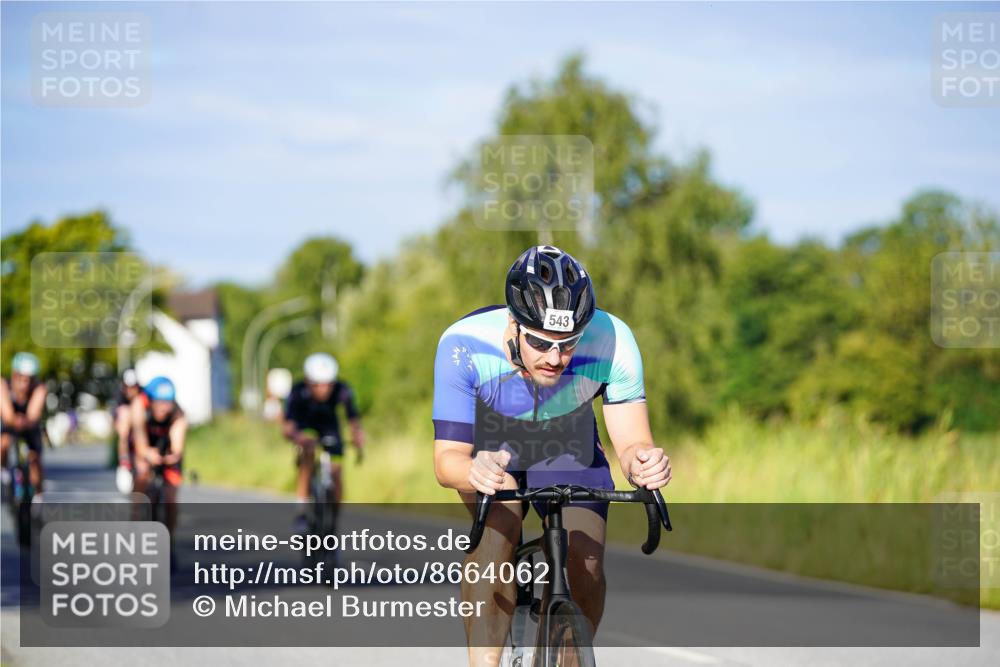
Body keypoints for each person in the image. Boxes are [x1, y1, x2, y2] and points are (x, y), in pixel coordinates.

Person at [432, 245, 672, 666]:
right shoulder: (463, 344)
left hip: (568, 438)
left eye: (568, 344)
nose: (555, 358)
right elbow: (447, 459)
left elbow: (633, 443)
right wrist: (474, 469)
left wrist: (643, 462)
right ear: (514, 325)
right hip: (494, 441)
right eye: (541, 342)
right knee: (496, 537)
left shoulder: (613, 340)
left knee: (586, 562)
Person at [283, 353, 365, 532]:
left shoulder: (342, 389)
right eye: (317, 384)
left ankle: (333, 520)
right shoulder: (297, 391)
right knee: (308, 453)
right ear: (308, 381)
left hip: (330, 428)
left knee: (337, 473)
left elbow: (353, 419)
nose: (323, 389)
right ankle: (302, 511)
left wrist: (358, 438)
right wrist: (297, 438)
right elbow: (287, 427)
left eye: (328, 384)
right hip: (306, 427)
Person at [131, 376, 187, 538]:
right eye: (160, 403)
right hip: (146, 443)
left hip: (166, 445)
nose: (164, 408)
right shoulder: (139, 405)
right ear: (151, 400)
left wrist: (172, 456)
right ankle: (135, 514)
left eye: (168, 403)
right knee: (142, 473)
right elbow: (140, 445)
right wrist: (148, 454)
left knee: (171, 496)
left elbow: (177, 445)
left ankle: (169, 538)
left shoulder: (178, 413)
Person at [1, 352, 48, 501]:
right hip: (10, 425)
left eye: (29, 380)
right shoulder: (4, 385)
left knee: (35, 459)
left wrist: (25, 421)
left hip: (30, 427)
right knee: (3, 444)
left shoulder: (39, 388)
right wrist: (14, 420)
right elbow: (7, 415)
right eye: (20, 378)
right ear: (14, 375)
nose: (24, 384)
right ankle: (4, 474)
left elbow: (33, 415)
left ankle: (38, 495)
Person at [113, 369, 142, 492]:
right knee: (124, 415)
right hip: (127, 428)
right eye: (127, 387)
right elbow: (116, 422)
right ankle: (124, 462)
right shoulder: (120, 398)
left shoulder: (143, 396)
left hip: (141, 428)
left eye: (133, 387)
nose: (130, 390)